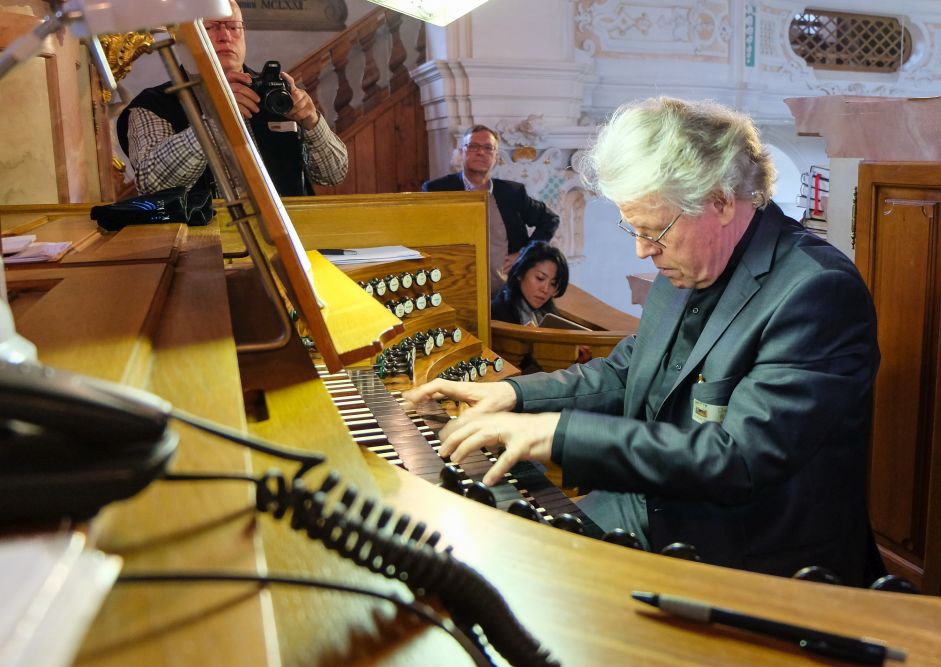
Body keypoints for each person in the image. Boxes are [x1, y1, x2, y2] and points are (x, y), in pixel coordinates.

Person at [405, 97, 882, 585]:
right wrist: (513, 394)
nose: (642, 250)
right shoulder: (686, 265)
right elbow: (629, 370)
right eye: (634, 229)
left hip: (746, 552)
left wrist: (559, 433)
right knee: (484, 553)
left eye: (655, 231)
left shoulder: (817, 291)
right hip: (652, 501)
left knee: (519, 582)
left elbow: (738, 458)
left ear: (720, 200)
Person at [117, 0, 348, 198]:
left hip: (290, 231)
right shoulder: (152, 104)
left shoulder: (275, 94)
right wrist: (217, 120)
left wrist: (312, 122)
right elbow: (152, 183)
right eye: (210, 27)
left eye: (233, 26)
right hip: (207, 235)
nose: (225, 36)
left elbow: (333, 174)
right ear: (182, 39)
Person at [422, 125, 559, 295]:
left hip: (506, 294)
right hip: (456, 291)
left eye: (488, 148)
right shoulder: (437, 190)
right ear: (462, 153)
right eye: (473, 146)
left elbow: (550, 220)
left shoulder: (512, 193)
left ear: (496, 157)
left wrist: (525, 254)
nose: (481, 152)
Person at [490, 241, 569, 326]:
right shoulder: (496, 315)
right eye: (540, 278)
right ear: (520, 273)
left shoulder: (548, 315)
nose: (545, 289)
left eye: (553, 283)